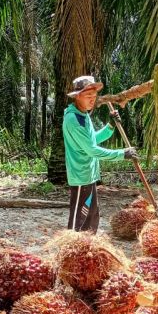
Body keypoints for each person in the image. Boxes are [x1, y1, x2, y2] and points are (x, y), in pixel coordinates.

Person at [63, 75, 139, 232]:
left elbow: (92, 140)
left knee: (91, 219)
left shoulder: (83, 115)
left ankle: (89, 250)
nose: (92, 100)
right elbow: (92, 150)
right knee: (79, 221)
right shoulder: (74, 119)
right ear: (77, 96)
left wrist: (110, 126)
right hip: (80, 177)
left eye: (94, 96)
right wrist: (122, 154)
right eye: (88, 96)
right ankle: (72, 251)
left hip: (88, 175)